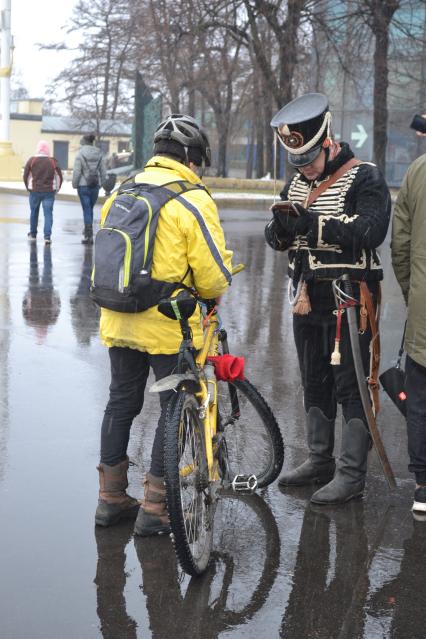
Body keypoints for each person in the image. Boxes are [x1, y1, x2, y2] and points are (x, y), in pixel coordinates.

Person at [95, 114, 233, 536]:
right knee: (174, 407)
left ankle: (111, 499)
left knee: (122, 401)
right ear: (193, 158)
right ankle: (155, 508)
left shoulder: (121, 191)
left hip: (118, 316)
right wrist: (220, 284)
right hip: (167, 325)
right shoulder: (193, 198)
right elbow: (211, 276)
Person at [265, 93, 391, 504]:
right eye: (296, 162)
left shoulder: (365, 177)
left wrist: (312, 223)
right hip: (306, 296)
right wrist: (280, 230)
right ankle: (320, 460)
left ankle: (352, 474)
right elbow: (278, 236)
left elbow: (369, 232)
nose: (302, 168)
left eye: (308, 159)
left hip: (349, 298)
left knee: (351, 385)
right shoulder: (298, 181)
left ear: (327, 142)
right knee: (314, 380)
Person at [392, 155, 426, 515]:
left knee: (420, 400)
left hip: (424, 305)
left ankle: (423, 487)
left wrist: (413, 294)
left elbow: (400, 245)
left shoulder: (417, 170)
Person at [23, 140, 63, 245]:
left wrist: (28, 187)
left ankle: (33, 234)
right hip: (49, 192)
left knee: (34, 213)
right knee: (48, 214)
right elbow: (59, 176)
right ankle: (47, 237)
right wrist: (57, 189)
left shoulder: (32, 160)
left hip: (34, 191)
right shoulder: (53, 161)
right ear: (47, 150)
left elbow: (25, 175)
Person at [72, 133, 106, 245]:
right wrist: (101, 183)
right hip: (95, 185)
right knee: (89, 209)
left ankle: (88, 235)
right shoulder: (99, 153)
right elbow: (103, 171)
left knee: (86, 209)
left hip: (83, 186)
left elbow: (77, 172)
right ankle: (88, 231)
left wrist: (75, 184)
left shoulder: (80, 154)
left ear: (84, 141)